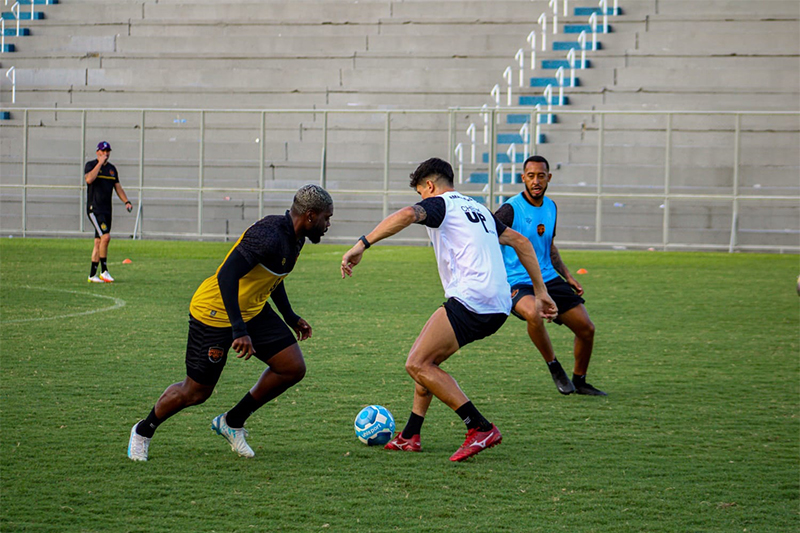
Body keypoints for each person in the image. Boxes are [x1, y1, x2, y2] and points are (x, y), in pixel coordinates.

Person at [341, 158, 557, 462]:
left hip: (472, 297)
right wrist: (541, 291)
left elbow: (406, 215)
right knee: (427, 358)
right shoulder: (478, 208)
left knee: (417, 363)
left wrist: (362, 243)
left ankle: (480, 427)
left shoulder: (440, 203)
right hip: (498, 301)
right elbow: (520, 241)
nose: (421, 201)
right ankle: (410, 435)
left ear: (429, 186)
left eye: (421, 194)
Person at [127, 185, 334, 461]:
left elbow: (273, 277)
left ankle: (232, 421)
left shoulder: (296, 238)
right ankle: (143, 430)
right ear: (309, 216)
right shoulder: (269, 234)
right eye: (326, 217)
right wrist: (240, 330)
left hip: (251, 310)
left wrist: (290, 316)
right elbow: (226, 275)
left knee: (292, 367)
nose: (328, 224)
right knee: (196, 392)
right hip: (214, 312)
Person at [494, 155, 606, 396]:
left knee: (587, 329)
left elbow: (550, 247)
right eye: (531, 176)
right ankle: (554, 366)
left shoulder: (551, 207)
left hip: (549, 279)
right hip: (518, 281)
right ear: (523, 178)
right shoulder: (509, 210)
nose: (536, 181)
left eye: (541, 176)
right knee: (533, 312)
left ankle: (580, 381)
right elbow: (487, 240)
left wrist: (567, 275)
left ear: (548, 178)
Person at [85, 141, 133, 283]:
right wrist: (99, 164)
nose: (106, 154)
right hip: (95, 209)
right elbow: (89, 180)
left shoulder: (112, 169)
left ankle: (92, 275)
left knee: (98, 242)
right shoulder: (91, 165)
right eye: (103, 151)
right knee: (106, 237)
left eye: (108, 151)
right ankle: (104, 271)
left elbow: (118, 187)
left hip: (107, 210)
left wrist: (126, 201)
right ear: (98, 152)